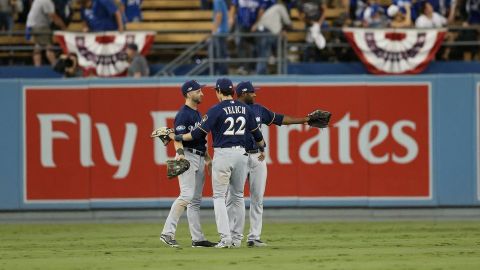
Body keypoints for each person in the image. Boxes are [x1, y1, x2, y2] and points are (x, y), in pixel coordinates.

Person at [169, 78, 265, 248]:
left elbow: (197, 135)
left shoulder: (216, 110)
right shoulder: (245, 108)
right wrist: (262, 147)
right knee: (238, 196)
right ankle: (236, 239)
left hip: (223, 154)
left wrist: (176, 137)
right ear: (233, 92)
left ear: (219, 92)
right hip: (242, 154)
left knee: (219, 197)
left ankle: (225, 238)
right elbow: (257, 135)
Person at [230, 81, 311, 247]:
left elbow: (280, 119)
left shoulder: (259, 109)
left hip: (257, 157)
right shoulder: (231, 110)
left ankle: (254, 237)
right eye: (252, 92)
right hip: (238, 156)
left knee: (257, 198)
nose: (255, 94)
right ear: (244, 93)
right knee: (234, 198)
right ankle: (232, 236)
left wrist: (305, 120)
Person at [159, 80, 217, 248]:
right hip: (188, 156)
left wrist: (207, 158)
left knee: (195, 201)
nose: (202, 93)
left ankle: (197, 239)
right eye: (198, 91)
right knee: (186, 196)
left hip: (199, 156)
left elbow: (200, 139)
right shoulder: (183, 114)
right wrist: (180, 154)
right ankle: (167, 233)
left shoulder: (198, 114)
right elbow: (177, 138)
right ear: (189, 93)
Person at [252, 0, 292, 74]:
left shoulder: (272, 8)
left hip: (260, 31)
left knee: (262, 54)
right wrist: (291, 28)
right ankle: (262, 73)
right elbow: (288, 22)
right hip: (267, 32)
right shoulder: (280, 7)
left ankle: (262, 71)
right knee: (265, 53)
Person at [26, 0, 67, 66]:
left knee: (38, 46)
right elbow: (53, 16)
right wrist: (63, 27)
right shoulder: (46, 1)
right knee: (48, 47)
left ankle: (37, 68)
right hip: (41, 27)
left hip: (33, 26)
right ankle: (55, 66)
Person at [212, 0, 229, 75]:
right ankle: (223, 73)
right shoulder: (221, 1)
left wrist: (214, 30)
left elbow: (219, 15)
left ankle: (222, 74)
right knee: (222, 54)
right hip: (223, 31)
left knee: (220, 55)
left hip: (220, 32)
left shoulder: (217, 1)